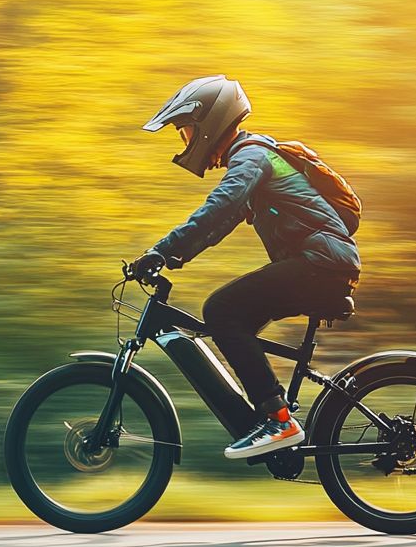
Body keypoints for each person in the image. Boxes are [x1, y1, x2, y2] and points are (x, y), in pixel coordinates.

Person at [130, 75, 361, 460]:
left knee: (222, 310)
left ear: (210, 124)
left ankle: (279, 421)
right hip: (319, 265)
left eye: (186, 131)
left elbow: (218, 206)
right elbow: (219, 224)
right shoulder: (253, 158)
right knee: (232, 325)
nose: (185, 141)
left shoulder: (251, 156)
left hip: (321, 266)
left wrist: (161, 249)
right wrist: (171, 257)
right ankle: (270, 418)